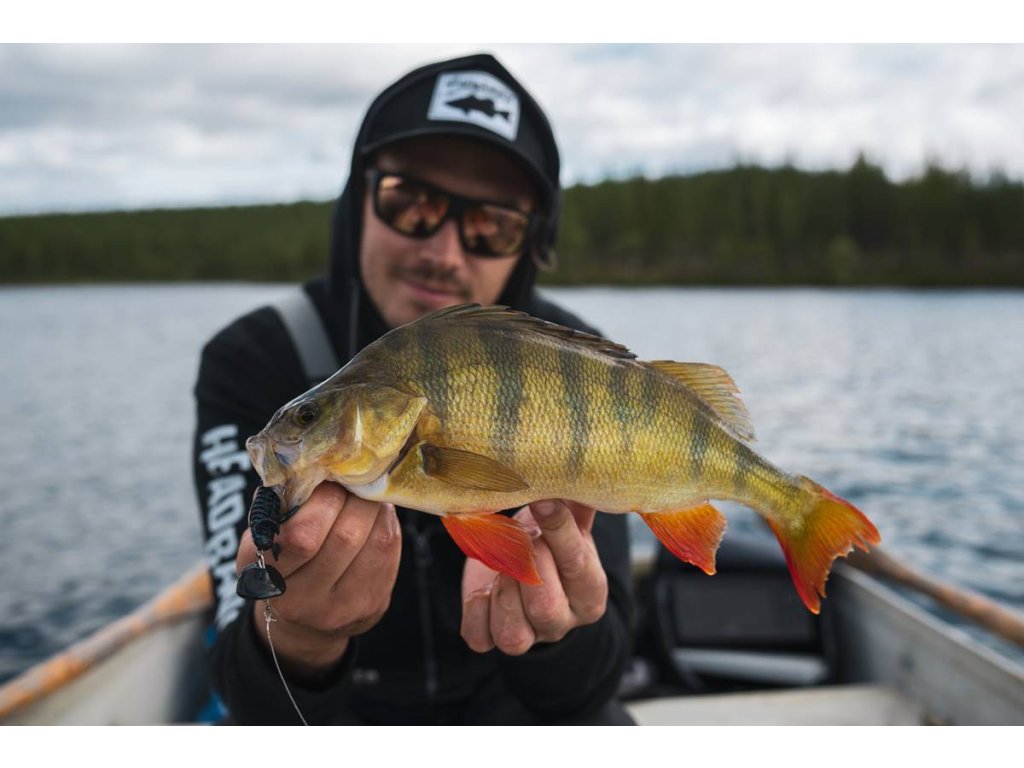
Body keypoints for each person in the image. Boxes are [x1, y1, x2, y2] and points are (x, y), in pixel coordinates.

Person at [192, 52, 635, 725]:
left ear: (529, 245)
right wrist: (300, 641)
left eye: (492, 226)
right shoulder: (254, 359)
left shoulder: (586, 371)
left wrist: (558, 635)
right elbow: (242, 686)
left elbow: (597, 677)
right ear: (358, 202)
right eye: (411, 201)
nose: (444, 252)